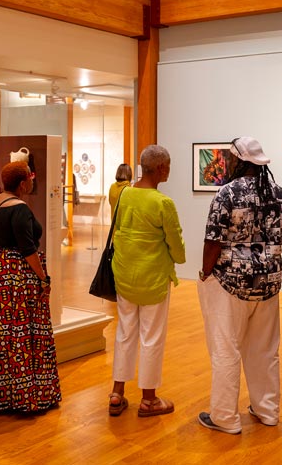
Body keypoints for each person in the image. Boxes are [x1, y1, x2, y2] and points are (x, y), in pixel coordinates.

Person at [197, 136, 282, 434]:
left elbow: (212, 239)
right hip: (268, 283)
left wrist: (205, 272)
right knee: (265, 350)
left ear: (240, 160)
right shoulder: (278, 193)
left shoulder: (226, 193)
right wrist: (264, 245)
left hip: (231, 282)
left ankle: (225, 418)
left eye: (229, 157)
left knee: (226, 348)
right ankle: (267, 411)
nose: (226, 162)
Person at [0, 160, 61, 412]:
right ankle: (27, 395)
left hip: (0, 271)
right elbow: (28, 250)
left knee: (3, 331)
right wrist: (43, 278)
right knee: (24, 331)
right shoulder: (19, 209)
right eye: (30, 178)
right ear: (23, 183)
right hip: (19, 276)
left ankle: (3, 394)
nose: (32, 182)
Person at [107, 145, 186, 417]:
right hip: (153, 278)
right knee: (151, 337)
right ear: (162, 168)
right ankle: (149, 399)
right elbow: (175, 242)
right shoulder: (162, 203)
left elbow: (118, 230)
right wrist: (180, 257)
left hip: (125, 274)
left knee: (125, 332)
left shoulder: (125, 195)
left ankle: (117, 393)